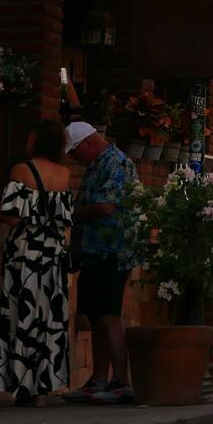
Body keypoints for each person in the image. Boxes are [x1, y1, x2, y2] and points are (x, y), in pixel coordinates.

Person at [0, 120, 74, 406]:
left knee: (21, 315)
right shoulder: (64, 174)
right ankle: (44, 388)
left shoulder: (22, 170)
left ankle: (21, 383)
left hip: (25, 253)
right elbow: (63, 219)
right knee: (48, 318)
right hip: (53, 254)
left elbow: (13, 216)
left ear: (35, 139)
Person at [62, 122, 137, 405]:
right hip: (94, 251)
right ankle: (99, 379)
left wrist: (73, 215)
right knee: (95, 315)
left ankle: (120, 381)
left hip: (112, 251)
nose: (73, 159)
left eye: (74, 152)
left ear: (88, 143)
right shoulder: (97, 164)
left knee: (108, 315)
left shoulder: (115, 163)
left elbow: (106, 206)